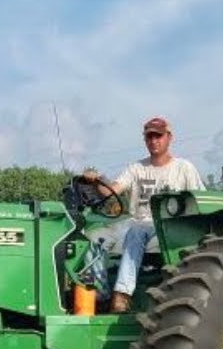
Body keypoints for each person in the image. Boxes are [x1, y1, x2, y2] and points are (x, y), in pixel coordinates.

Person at [84, 117, 204, 312]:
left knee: (136, 231)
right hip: (135, 221)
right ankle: (100, 294)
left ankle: (122, 295)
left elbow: (200, 201)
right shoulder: (137, 168)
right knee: (93, 236)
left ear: (169, 137)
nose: (154, 141)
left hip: (168, 226)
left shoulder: (183, 168)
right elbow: (111, 191)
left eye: (158, 136)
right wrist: (96, 181)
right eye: (149, 137)